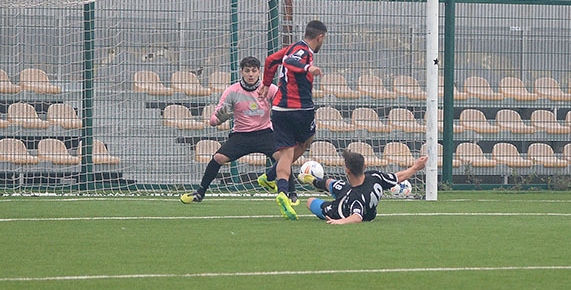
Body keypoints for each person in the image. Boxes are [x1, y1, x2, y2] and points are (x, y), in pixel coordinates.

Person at [179, 57, 285, 203]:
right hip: (241, 136)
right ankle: (200, 192)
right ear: (241, 72)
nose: (250, 74)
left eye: (254, 71)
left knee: (284, 158)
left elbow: (284, 103)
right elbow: (213, 120)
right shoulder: (232, 91)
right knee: (218, 158)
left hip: (265, 133)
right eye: (247, 71)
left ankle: (290, 194)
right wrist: (219, 119)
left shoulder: (269, 89)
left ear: (259, 72)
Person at [255, 19, 327, 219]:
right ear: (320, 37)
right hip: (300, 108)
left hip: (279, 108)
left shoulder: (291, 48)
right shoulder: (303, 51)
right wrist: (307, 69)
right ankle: (272, 176)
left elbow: (271, 60)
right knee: (306, 141)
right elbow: (290, 62)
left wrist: (266, 84)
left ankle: (280, 190)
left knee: (286, 154)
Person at [298, 149, 428, 224]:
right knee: (331, 183)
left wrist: (339, 221)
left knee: (310, 201)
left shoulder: (356, 197)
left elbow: (357, 217)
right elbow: (398, 177)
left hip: (340, 209)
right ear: (364, 166)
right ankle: (314, 181)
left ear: (347, 170)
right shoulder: (375, 176)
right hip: (348, 188)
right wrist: (415, 167)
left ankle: (313, 181)